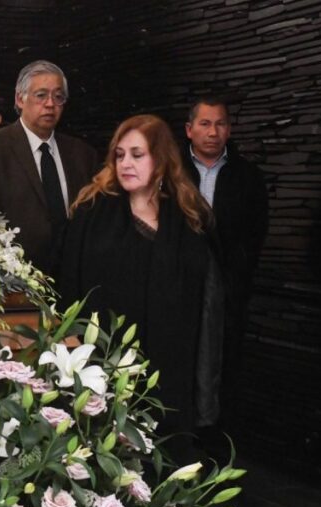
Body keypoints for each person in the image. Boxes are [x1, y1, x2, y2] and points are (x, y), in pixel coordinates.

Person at [56, 114, 219, 461]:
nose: (126, 163)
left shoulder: (186, 220)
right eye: (120, 155)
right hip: (103, 366)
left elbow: (202, 305)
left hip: (168, 372)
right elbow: (70, 288)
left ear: (160, 159)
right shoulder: (91, 213)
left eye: (137, 154)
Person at [183, 97, 268, 430]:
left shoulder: (247, 175)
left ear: (229, 129)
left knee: (222, 361)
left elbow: (256, 233)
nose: (213, 132)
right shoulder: (172, 170)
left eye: (220, 124)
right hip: (180, 282)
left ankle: (214, 435)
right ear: (189, 130)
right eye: (205, 123)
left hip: (227, 287)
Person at [0, 60, 99, 274]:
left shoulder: (82, 154)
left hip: (75, 274)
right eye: (41, 95)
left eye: (58, 97)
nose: (50, 104)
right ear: (20, 99)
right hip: (17, 277)